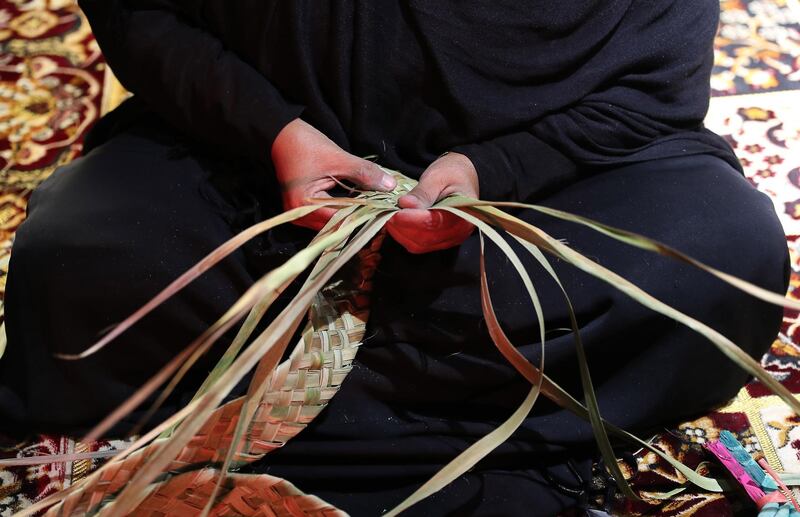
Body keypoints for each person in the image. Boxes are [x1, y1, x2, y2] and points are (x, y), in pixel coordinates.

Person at [0, 1, 790, 514]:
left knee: (727, 254)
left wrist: (496, 172)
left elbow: (651, 87)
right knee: (78, 254)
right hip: (257, 152)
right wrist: (273, 131)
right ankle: (432, 419)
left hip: (532, 190)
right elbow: (144, 18)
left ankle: (285, 410)